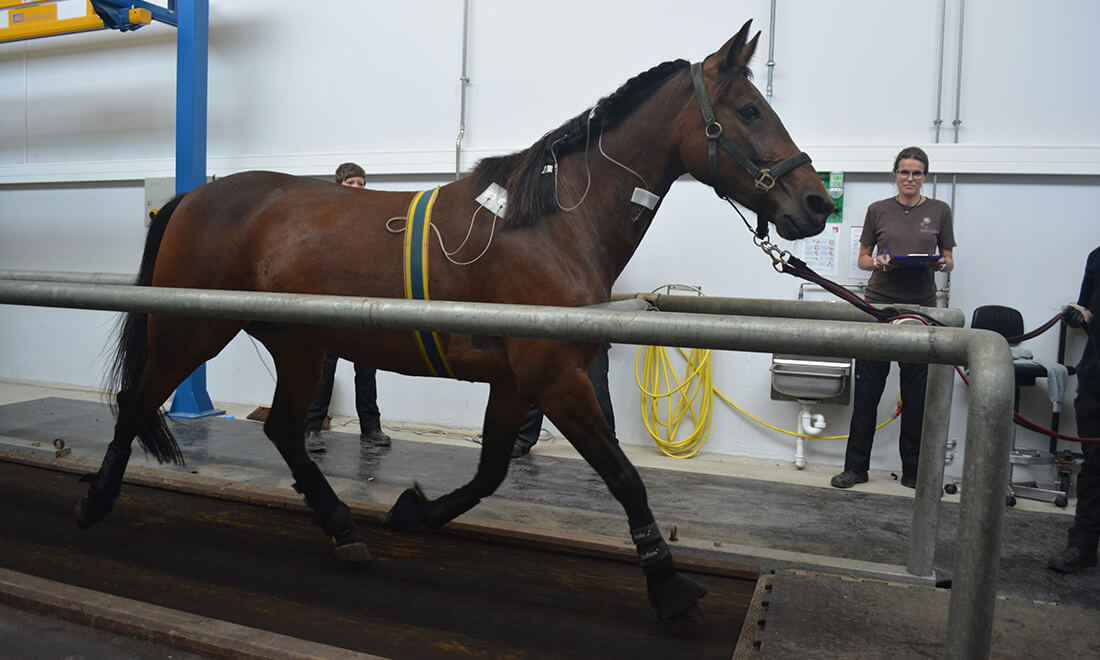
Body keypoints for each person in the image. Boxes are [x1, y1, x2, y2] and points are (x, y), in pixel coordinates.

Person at [831, 147, 956, 489]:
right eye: (904, 172)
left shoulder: (940, 211)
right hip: (880, 309)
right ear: (895, 175)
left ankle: (913, 472)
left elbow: (948, 259)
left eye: (916, 173)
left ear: (924, 176)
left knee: (915, 396)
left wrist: (941, 263)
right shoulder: (878, 210)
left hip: (921, 311)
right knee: (868, 392)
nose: (910, 179)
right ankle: (855, 468)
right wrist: (879, 263)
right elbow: (863, 260)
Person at [305, 163, 392, 452]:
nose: (357, 189)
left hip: (363, 307)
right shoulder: (325, 219)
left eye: (361, 184)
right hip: (332, 307)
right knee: (323, 369)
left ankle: (371, 428)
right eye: (352, 183)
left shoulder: (371, 220)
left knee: (367, 370)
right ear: (338, 184)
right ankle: (312, 429)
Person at [1048, 246, 1100, 573]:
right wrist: (1077, 315)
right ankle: (1082, 546)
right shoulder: (1097, 257)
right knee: (1094, 467)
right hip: (1095, 376)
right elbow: (1090, 311)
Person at [512, 343, 615, 458]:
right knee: (537, 375)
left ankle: (606, 444)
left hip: (591, 330)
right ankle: (521, 437)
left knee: (595, 382)